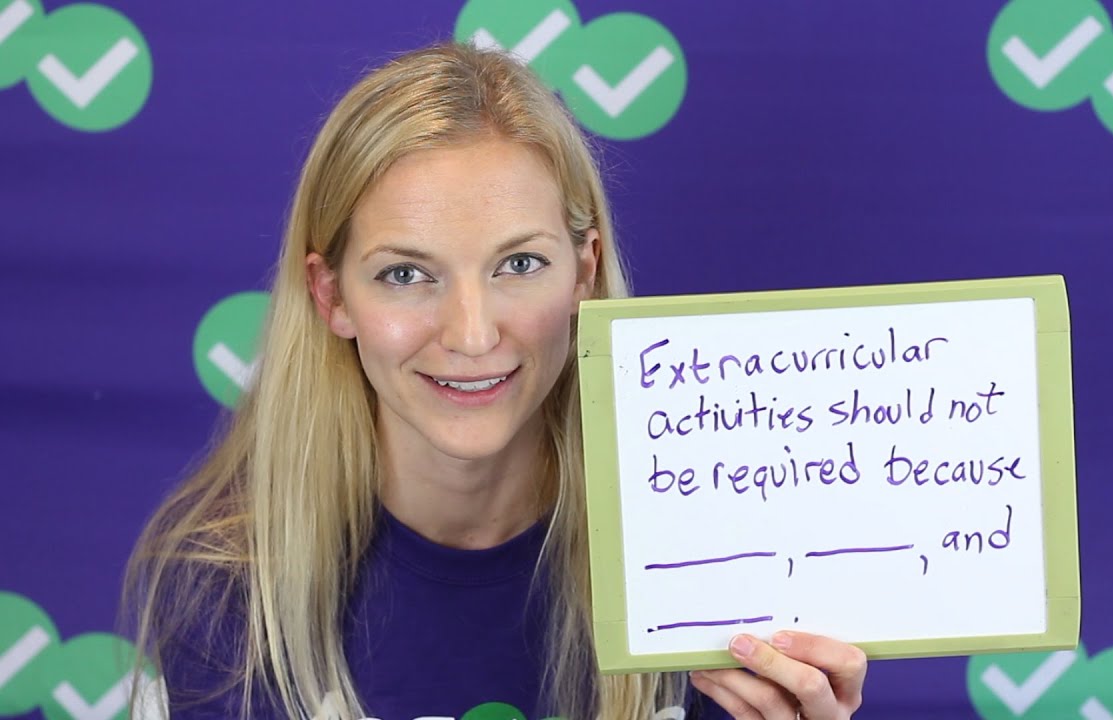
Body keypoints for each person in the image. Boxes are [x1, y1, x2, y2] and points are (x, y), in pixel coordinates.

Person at [124, 42, 867, 720]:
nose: (473, 335)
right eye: (405, 274)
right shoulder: (229, 596)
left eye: (519, 264)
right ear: (332, 296)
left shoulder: (718, 567)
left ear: (584, 273)